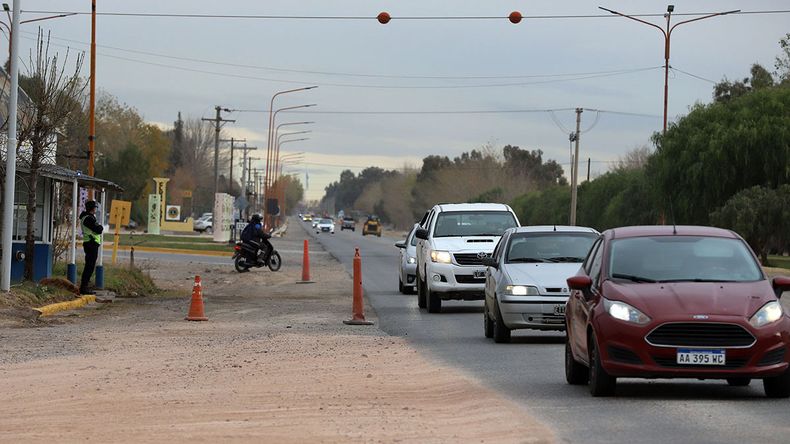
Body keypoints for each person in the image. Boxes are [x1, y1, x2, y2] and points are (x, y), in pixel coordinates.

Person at [79, 200, 104, 295]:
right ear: (91, 208)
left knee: (90, 265)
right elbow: (98, 229)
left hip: (91, 243)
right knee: (89, 266)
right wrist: (100, 227)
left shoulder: (88, 217)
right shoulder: (88, 218)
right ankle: (84, 287)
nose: (95, 209)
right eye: (94, 208)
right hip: (91, 243)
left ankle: (85, 286)